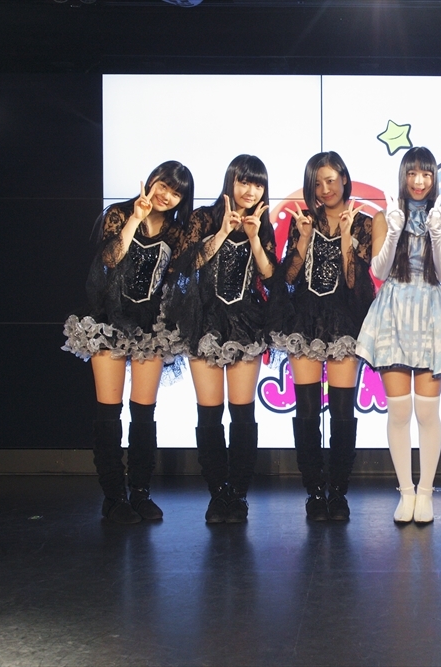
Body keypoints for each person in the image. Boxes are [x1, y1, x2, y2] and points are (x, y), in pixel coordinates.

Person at [63, 160, 194, 523]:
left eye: (176, 192)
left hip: (150, 325)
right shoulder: (119, 214)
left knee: (144, 413)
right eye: (163, 185)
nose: (167, 196)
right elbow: (108, 261)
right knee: (109, 412)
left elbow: (176, 282)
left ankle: (140, 492)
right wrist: (136, 218)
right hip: (108, 321)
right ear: (152, 181)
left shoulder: (176, 232)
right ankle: (113, 496)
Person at [164, 154, 282, 524]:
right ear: (231, 181)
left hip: (246, 323)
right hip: (205, 322)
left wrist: (254, 237)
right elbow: (185, 266)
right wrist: (221, 233)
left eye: (258, 184)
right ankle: (217, 494)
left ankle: (239, 494)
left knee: (243, 414)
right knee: (209, 413)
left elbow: (271, 277)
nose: (251, 190)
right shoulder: (203, 218)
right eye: (244, 181)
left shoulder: (262, 225)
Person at [355, 146, 441, 524]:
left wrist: (435, 231)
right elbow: (380, 271)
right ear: (403, 176)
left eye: (426, 174)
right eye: (413, 174)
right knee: (399, 410)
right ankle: (405, 492)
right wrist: (394, 229)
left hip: (431, 313)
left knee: (427, 411)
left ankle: (426, 492)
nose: (419, 182)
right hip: (394, 313)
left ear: (434, 178)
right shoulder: (384, 216)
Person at [275, 151, 375, 521]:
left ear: (344, 179)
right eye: (317, 183)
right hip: (305, 320)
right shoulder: (303, 219)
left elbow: (354, 282)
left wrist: (347, 235)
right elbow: (287, 278)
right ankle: (314, 491)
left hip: (344, 321)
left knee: (343, 411)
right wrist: (302, 239)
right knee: (305, 410)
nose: (325, 189)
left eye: (331, 180)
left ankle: (338, 491)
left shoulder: (364, 223)